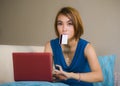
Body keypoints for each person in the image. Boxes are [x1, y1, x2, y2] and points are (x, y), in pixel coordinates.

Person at [44, 7, 103, 86]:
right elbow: (46, 76)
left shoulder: (87, 47)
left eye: (69, 24)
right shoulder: (50, 46)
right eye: (60, 23)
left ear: (77, 26)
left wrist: (71, 75)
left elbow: (99, 76)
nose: (64, 29)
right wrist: (55, 76)